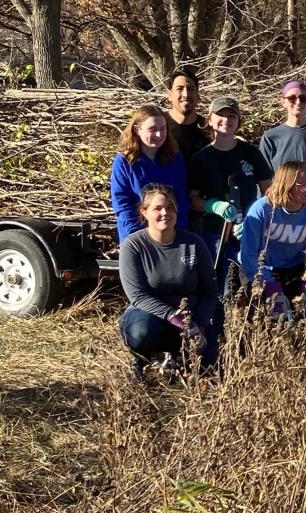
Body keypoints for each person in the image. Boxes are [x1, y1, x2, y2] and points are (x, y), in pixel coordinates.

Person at [117, 184, 220, 375]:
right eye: (158, 208)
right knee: (141, 333)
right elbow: (137, 296)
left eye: (171, 207)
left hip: (191, 315)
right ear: (144, 212)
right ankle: (144, 359)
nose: (165, 213)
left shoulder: (193, 242)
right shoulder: (133, 245)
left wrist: (200, 325)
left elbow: (209, 290)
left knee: (210, 367)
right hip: (151, 314)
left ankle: (180, 357)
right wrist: (177, 319)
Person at [187, 95, 267, 292]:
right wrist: (213, 206)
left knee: (251, 285)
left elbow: (270, 192)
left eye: (232, 115)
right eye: (220, 115)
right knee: (222, 285)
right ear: (210, 120)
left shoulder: (251, 153)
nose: (226, 120)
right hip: (215, 234)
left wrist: (255, 218)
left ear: (239, 121)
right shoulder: (201, 159)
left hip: (249, 232)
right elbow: (192, 199)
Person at [238, 160, 306, 317]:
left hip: (295, 267)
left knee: (305, 314)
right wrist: (268, 284)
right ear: (286, 184)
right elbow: (248, 253)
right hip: (260, 268)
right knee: (272, 317)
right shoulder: (262, 209)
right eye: (301, 184)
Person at [111, 105, 190, 243]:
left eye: (162, 129)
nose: (159, 135)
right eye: (152, 129)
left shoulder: (175, 158)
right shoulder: (124, 161)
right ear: (137, 130)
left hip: (171, 235)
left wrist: (177, 233)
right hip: (136, 236)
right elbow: (122, 203)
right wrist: (137, 238)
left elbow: (181, 198)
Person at [164, 67, 210, 158]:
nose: (186, 94)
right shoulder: (158, 125)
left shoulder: (208, 129)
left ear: (198, 95)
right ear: (170, 95)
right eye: (179, 89)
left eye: (190, 89)